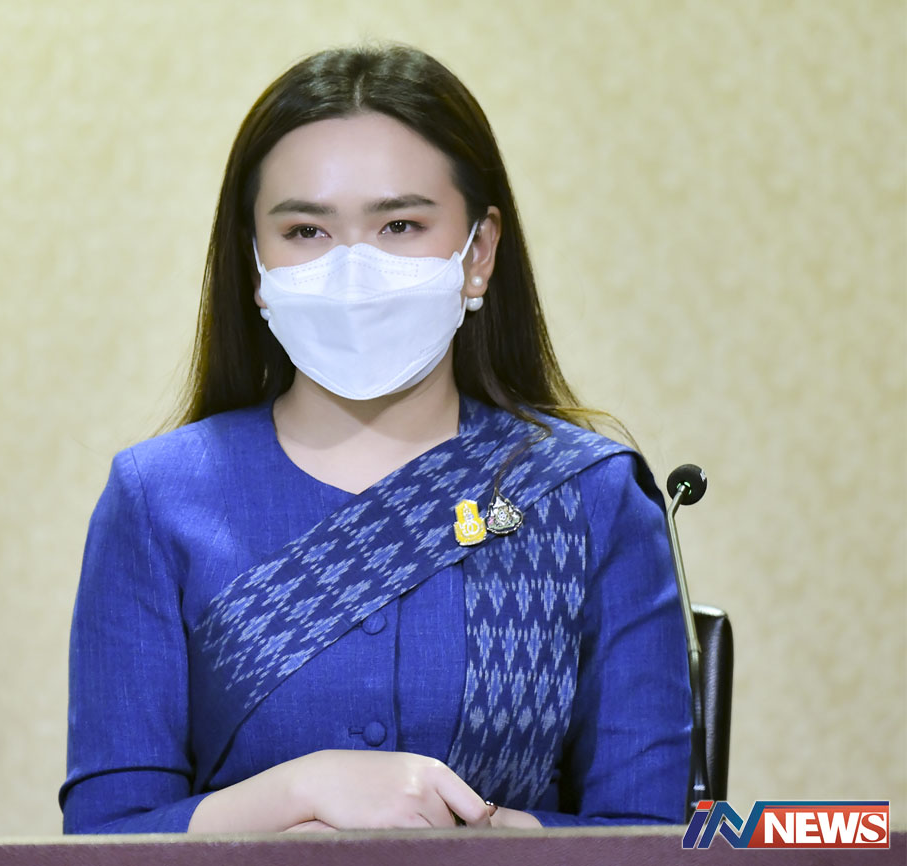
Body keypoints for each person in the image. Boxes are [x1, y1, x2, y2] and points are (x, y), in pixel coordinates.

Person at [59, 43, 691, 834]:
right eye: (305, 231)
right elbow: (106, 835)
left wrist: (494, 837)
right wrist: (300, 792)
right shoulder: (155, 500)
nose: (352, 272)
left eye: (400, 225)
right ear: (254, 263)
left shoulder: (591, 495)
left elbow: (652, 837)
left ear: (479, 252)